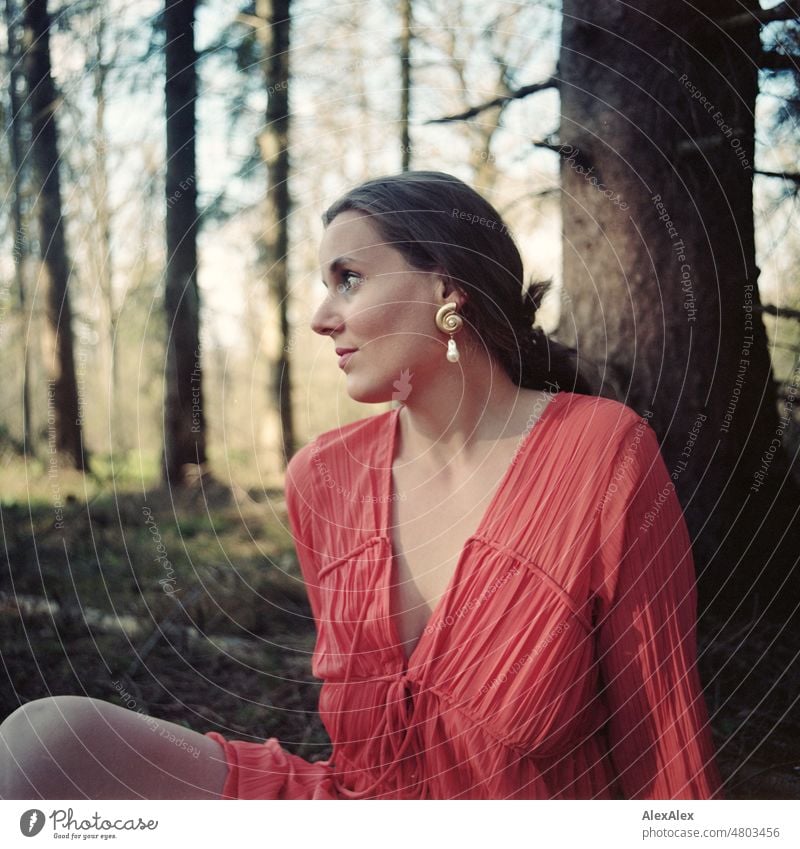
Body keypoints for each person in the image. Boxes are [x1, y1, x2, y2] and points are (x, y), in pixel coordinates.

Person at [0, 170, 722, 800]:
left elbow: (662, 742)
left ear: (447, 286)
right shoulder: (323, 478)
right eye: (324, 286)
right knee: (48, 741)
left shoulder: (601, 451)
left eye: (349, 278)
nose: (321, 317)